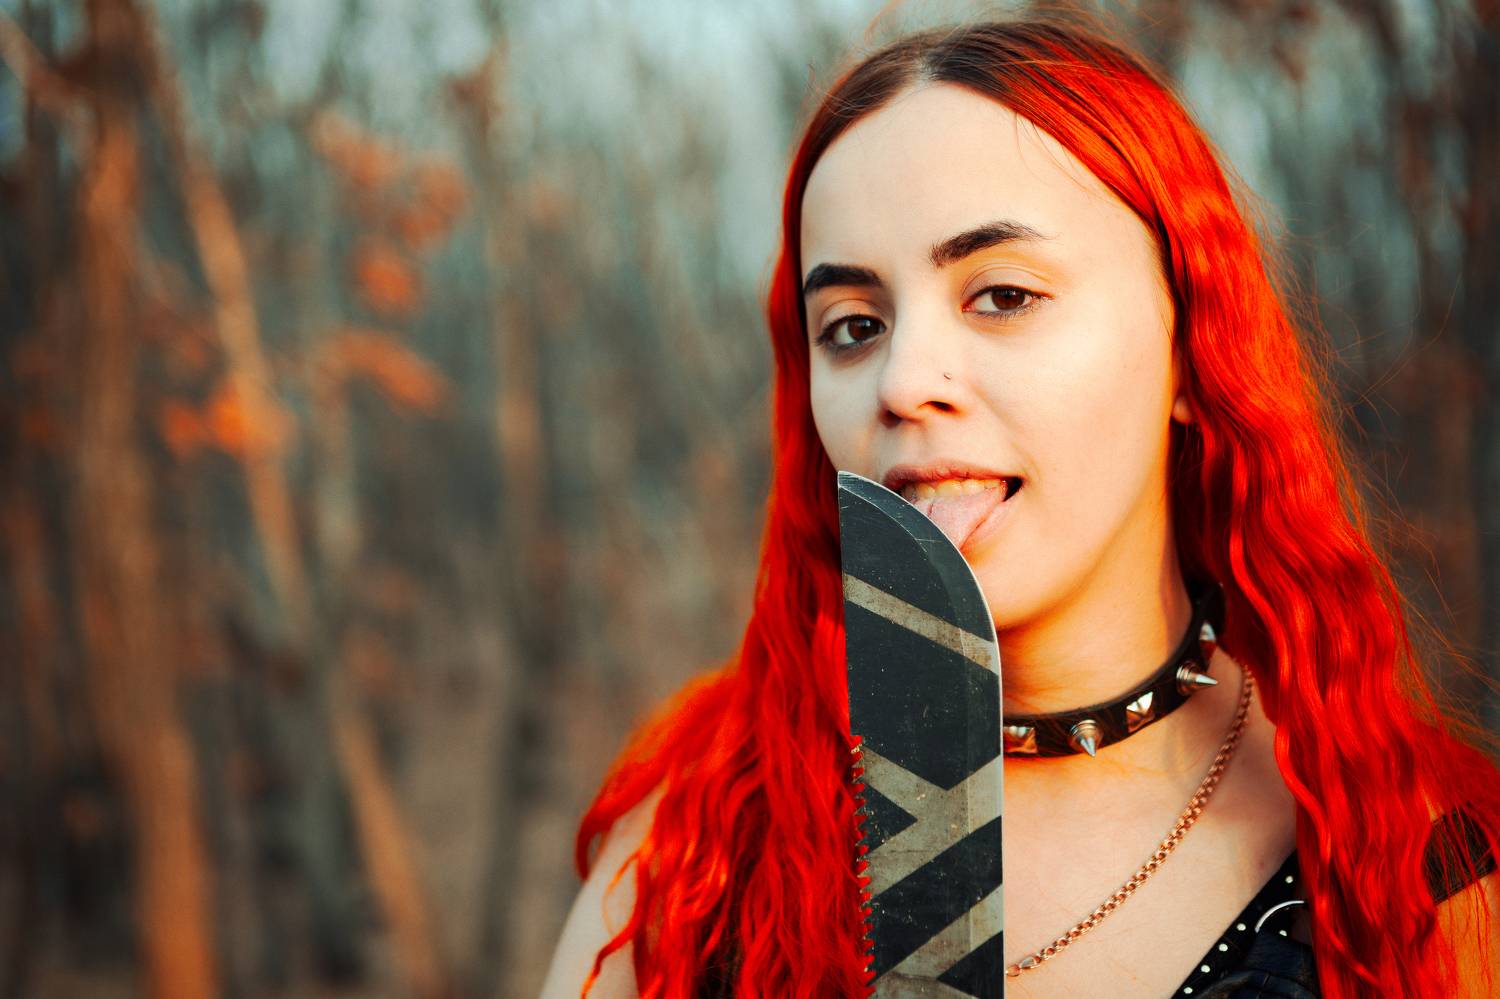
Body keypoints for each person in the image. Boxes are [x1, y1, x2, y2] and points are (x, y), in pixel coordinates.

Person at [539, 13, 1500, 998]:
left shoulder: (1413, 869)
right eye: (855, 326)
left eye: (1002, 295)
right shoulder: (699, 848)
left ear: (1191, 347)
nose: (903, 382)